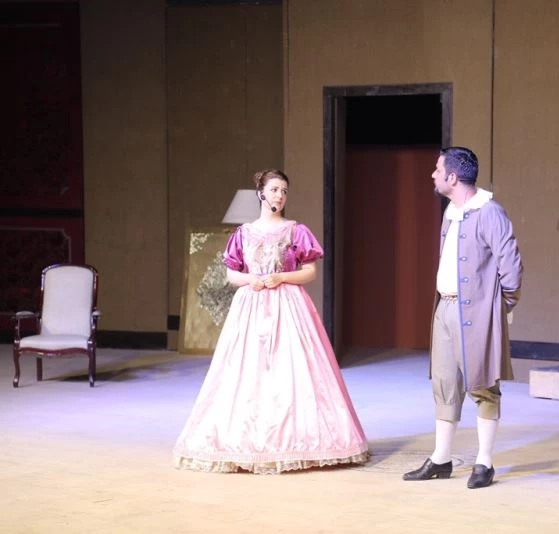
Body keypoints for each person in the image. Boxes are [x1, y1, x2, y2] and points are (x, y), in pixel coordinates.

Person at [173, 169, 370, 474]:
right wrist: (250, 279)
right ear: (261, 193)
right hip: (251, 305)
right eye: (275, 189)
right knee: (246, 369)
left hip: (288, 304)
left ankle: (298, 440)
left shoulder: (295, 230)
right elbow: (232, 274)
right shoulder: (243, 233)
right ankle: (244, 441)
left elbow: (309, 272)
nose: (280, 195)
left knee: (293, 369)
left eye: (284, 191)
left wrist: (282, 277)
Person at [403, 147, 522, 489]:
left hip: (476, 311)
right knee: (444, 383)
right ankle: (441, 458)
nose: (433, 174)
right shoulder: (452, 212)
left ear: (453, 177)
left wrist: (498, 306)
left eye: (437, 169)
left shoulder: (489, 212)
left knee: (483, 385)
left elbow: (511, 266)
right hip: (444, 308)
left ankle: (484, 462)